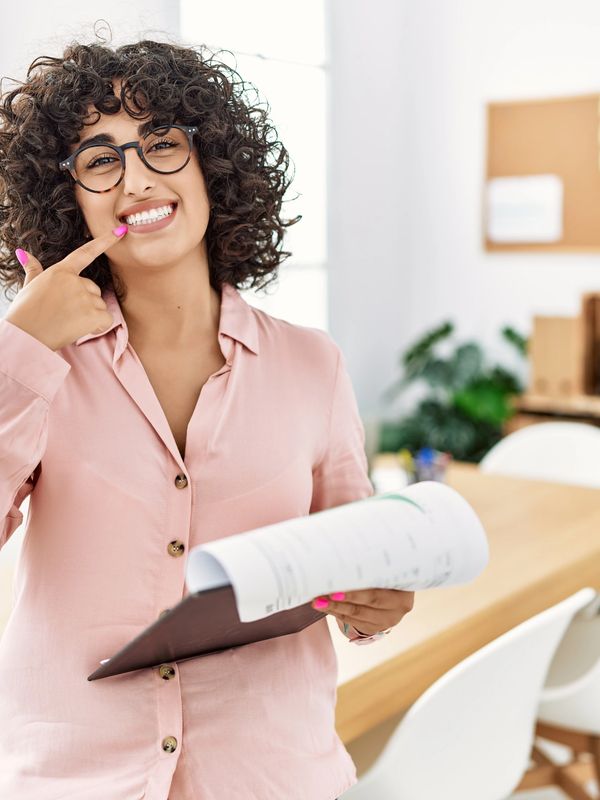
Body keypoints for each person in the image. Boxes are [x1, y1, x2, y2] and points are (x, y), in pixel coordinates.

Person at [0, 33, 414, 800]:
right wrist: (20, 344)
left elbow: (356, 564)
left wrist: (377, 605)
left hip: (267, 776)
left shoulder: (310, 366)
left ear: (210, 164)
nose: (135, 180)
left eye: (161, 144)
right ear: (69, 199)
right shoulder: (34, 366)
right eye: (100, 159)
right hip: (75, 779)